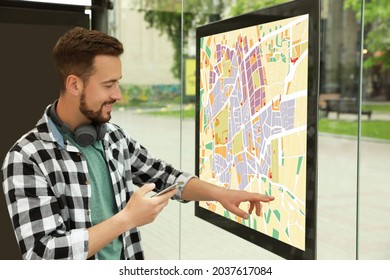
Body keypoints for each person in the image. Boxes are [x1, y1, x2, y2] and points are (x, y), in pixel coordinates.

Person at [1, 27, 275, 260]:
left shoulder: (113, 137)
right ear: (74, 84)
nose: (118, 95)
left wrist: (219, 194)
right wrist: (127, 219)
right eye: (109, 85)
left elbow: (166, 177)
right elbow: (43, 255)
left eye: (118, 83)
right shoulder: (26, 158)